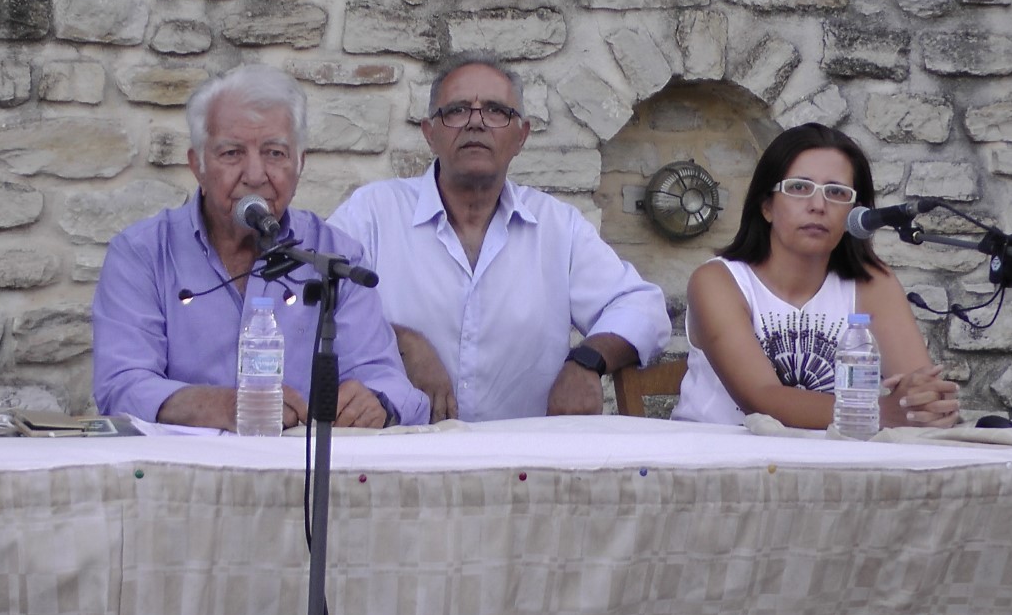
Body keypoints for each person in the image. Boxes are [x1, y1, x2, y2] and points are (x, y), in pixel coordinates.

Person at [328, 51, 671, 422]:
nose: (476, 123)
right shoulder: (373, 213)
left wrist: (587, 360)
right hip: (400, 447)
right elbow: (308, 301)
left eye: (496, 111)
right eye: (457, 110)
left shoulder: (557, 227)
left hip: (523, 452)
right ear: (430, 133)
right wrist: (399, 342)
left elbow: (642, 308)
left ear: (521, 136)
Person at [91, 64, 428, 430]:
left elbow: (389, 381)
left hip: (299, 463)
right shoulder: (143, 254)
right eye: (232, 153)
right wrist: (221, 406)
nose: (254, 175)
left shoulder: (334, 256)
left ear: (299, 164)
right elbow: (121, 386)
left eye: (275, 153)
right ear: (197, 166)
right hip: (178, 464)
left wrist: (377, 402)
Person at [674, 122, 960, 428]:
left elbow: (919, 391)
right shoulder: (718, 281)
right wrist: (880, 412)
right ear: (766, 205)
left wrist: (925, 403)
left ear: (855, 214)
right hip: (719, 453)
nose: (818, 205)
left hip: (832, 456)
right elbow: (761, 398)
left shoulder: (871, 283)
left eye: (836, 192)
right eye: (799, 188)